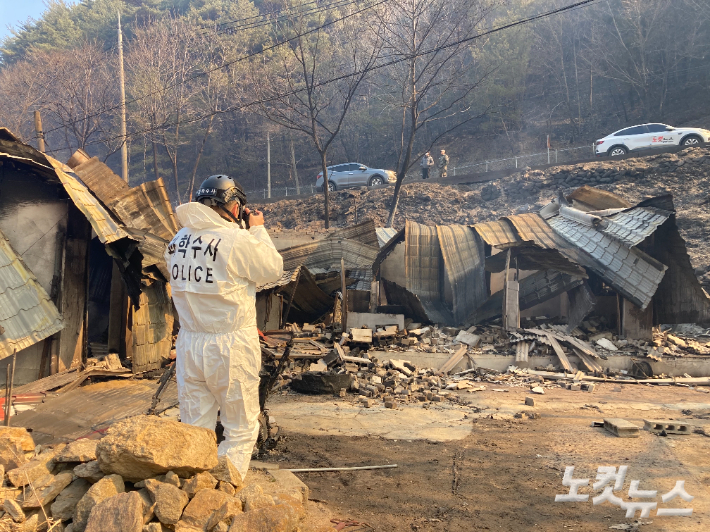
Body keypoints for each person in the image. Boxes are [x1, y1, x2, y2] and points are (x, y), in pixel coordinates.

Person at [165, 174, 283, 480]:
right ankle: (223, 496)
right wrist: (257, 229)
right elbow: (272, 269)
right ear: (233, 205)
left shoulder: (178, 241)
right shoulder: (236, 241)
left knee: (195, 429)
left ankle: (192, 492)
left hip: (190, 344)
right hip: (231, 347)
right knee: (240, 429)